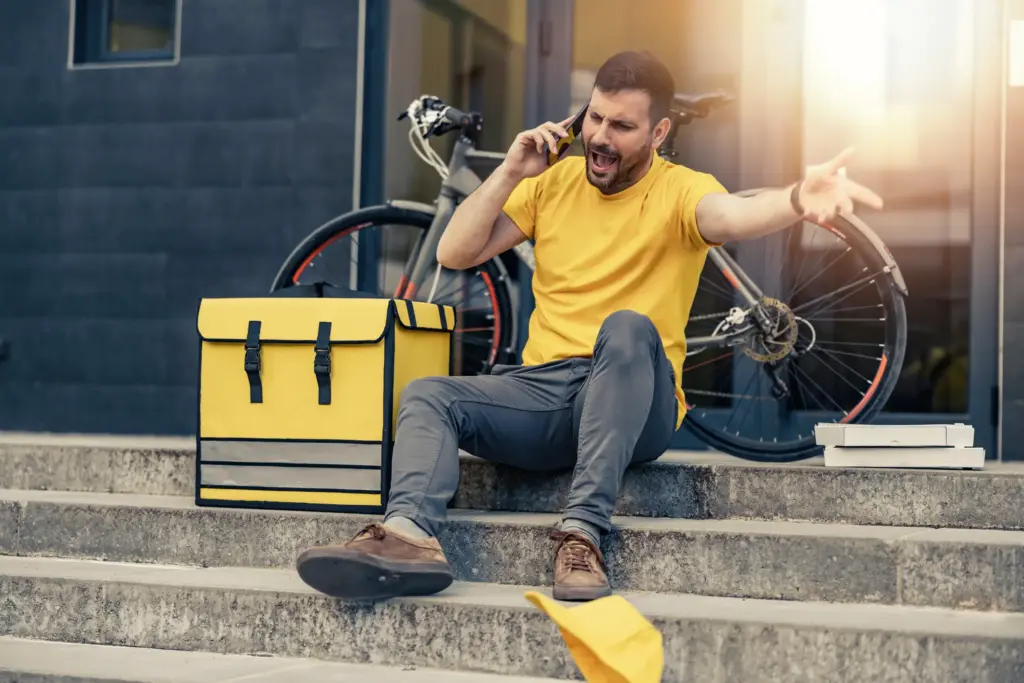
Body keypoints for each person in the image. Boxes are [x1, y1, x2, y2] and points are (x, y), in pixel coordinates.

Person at [295, 50, 883, 602]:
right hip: (547, 392)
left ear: (658, 133)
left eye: (622, 126)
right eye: (595, 118)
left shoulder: (682, 191)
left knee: (627, 326)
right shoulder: (552, 183)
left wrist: (799, 198)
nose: (601, 137)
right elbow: (454, 252)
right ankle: (408, 537)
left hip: (638, 397)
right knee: (430, 395)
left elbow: (734, 213)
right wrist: (510, 171)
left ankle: (581, 536)